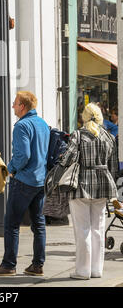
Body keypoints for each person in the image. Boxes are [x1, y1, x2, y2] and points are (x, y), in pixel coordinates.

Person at [0, 91, 50, 277]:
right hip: (40, 180)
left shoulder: (22, 126)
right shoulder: (42, 124)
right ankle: (37, 265)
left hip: (23, 180)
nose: (13, 106)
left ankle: (8, 265)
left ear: (22, 106)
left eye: (15, 103)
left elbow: (23, 156)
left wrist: (10, 168)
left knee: (11, 224)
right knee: (38, 224)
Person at [61, 102, 119, 280]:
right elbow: (113, 167)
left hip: (81, 185)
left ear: (83, 117)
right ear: (101, 117)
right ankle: (96, 270)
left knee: (82, 229)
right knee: (98, 229)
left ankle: (82, 271)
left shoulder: (78, 135)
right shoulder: (109, 137)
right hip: (103, 184)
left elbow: (68, 159)